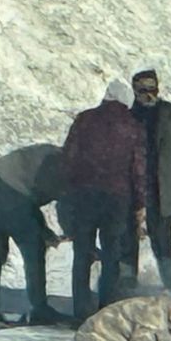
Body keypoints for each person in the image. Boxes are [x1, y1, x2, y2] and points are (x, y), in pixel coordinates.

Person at [59, 81, 146, 322]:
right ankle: (106, 310)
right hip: (117, 198)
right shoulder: (132, 126)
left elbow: (68, 158)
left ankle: (80, 310)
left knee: (82, 253)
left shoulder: (84, 120)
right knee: (111, 254)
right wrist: (139, 202)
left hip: (84, 195)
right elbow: (138, 168)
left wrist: (68, 190)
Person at [122, 69, 171, 291]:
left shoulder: (169, 117)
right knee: (127, 239)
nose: (148, 95)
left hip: (162, 189)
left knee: (163, 240)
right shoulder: (127, 118)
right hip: (132, 188)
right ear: (134, 91)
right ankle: (126, 288)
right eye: (143, 90)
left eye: (152, 89)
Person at [0, 142, 66, 323]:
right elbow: (35, 201)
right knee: (33, 248)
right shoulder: (60, 164)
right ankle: (39, 308)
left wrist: (44, 230)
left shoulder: (49, 153)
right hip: (11, 191)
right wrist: (49, 232)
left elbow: (31, 200)